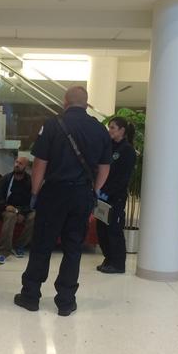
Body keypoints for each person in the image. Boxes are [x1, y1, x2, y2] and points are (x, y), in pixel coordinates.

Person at [14, 86, 111, 316]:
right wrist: (93, 190)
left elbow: (40, 163)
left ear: (65, 102)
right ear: (86, 104)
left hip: (54, 194)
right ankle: (66, 301)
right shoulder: (99, 129)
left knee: (42, 245)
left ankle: (31, 296)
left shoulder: (52, 125)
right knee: (73, 247)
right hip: (82, 195)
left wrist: (35, 193)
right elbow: (105, 168)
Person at [96, 117, 136, 274]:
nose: (109, 130)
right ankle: (108, 259)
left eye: (112, 127)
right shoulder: (109, 147)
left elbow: (123, 178)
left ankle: (118, 264)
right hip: (102, 197)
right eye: (109, 127)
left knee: (114, 230)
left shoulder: (127, 150)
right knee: (102, 230)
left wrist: (107, 192)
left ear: (122, 131)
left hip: (115, 197)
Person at [0, 156, 35, 264]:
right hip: (7, 208)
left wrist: (22, 212)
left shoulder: (30, 181)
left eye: (20, 163)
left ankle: (19, 246)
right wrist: (5, 206)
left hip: (24, 209)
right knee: (10, 216)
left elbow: (33, 201)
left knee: (34, 216)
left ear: (25, 166)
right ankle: (3, 252)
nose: (17, 165)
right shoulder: (5, 179)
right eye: (16, 162)